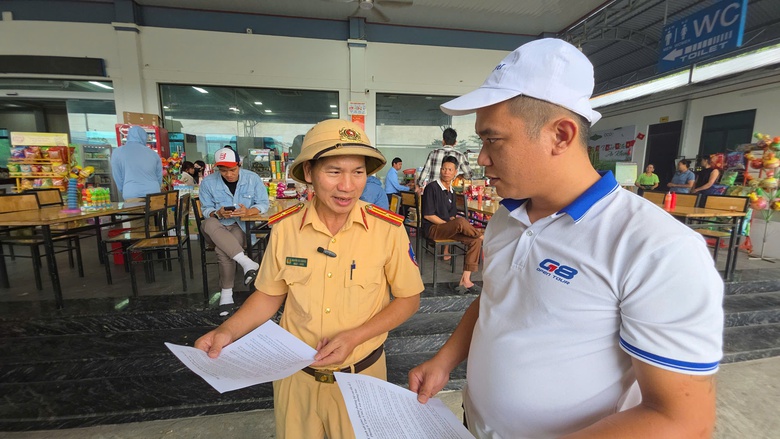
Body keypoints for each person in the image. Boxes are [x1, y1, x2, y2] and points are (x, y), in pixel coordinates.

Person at [408, 38, 723, 438]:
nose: (482, 158)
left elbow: (683, 420)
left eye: (492, 140)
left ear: (560, 135)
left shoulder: (656, 248)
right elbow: (494, 302)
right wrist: (445, 360)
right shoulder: (507, 217)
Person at [195, 119, 423, 439]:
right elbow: (270, 294)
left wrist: (355, 337)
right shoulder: (286, 228)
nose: (347, 185)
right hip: (296, 379)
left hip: (362, 379)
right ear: (309, 172)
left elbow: (409, 298)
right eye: (334, 171)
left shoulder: (388, 230)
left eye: (358, 172)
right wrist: (227, 331)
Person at [198, 146, 269, 316]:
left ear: (239, 165)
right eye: (223, 171)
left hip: (239, 226)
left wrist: (249, 211)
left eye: (232, 170)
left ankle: (226, 294)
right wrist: (217, 213)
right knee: (208, 222)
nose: (228, 174)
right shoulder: (208, 182)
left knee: (223, 249)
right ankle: (246, 262)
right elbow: (206, 209)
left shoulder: (252, 179)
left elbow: (263, 203)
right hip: (216, 227)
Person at [422, 156, 483, 292]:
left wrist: (452, 225)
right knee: (461, 222)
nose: (446, 172)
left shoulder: (452, 192)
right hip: (433, 229)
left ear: (455, 172)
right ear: (440, 170)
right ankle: (481, 235)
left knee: (475, 241)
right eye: (444, 169)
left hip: (448, 229)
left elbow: (452, 216)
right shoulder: (431, 188)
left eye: (450, 170)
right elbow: (428, 215)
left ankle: (465, 279)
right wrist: (450, 225)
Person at [110, 125, 162, 201]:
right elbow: (159, 177)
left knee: (134, 209)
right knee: (153, 209)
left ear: (128, 136)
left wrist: (125, 189)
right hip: (153, 192)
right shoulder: (153, 154)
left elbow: (117, 175)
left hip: (132, 192)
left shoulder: (117, 152)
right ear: (144, 137)